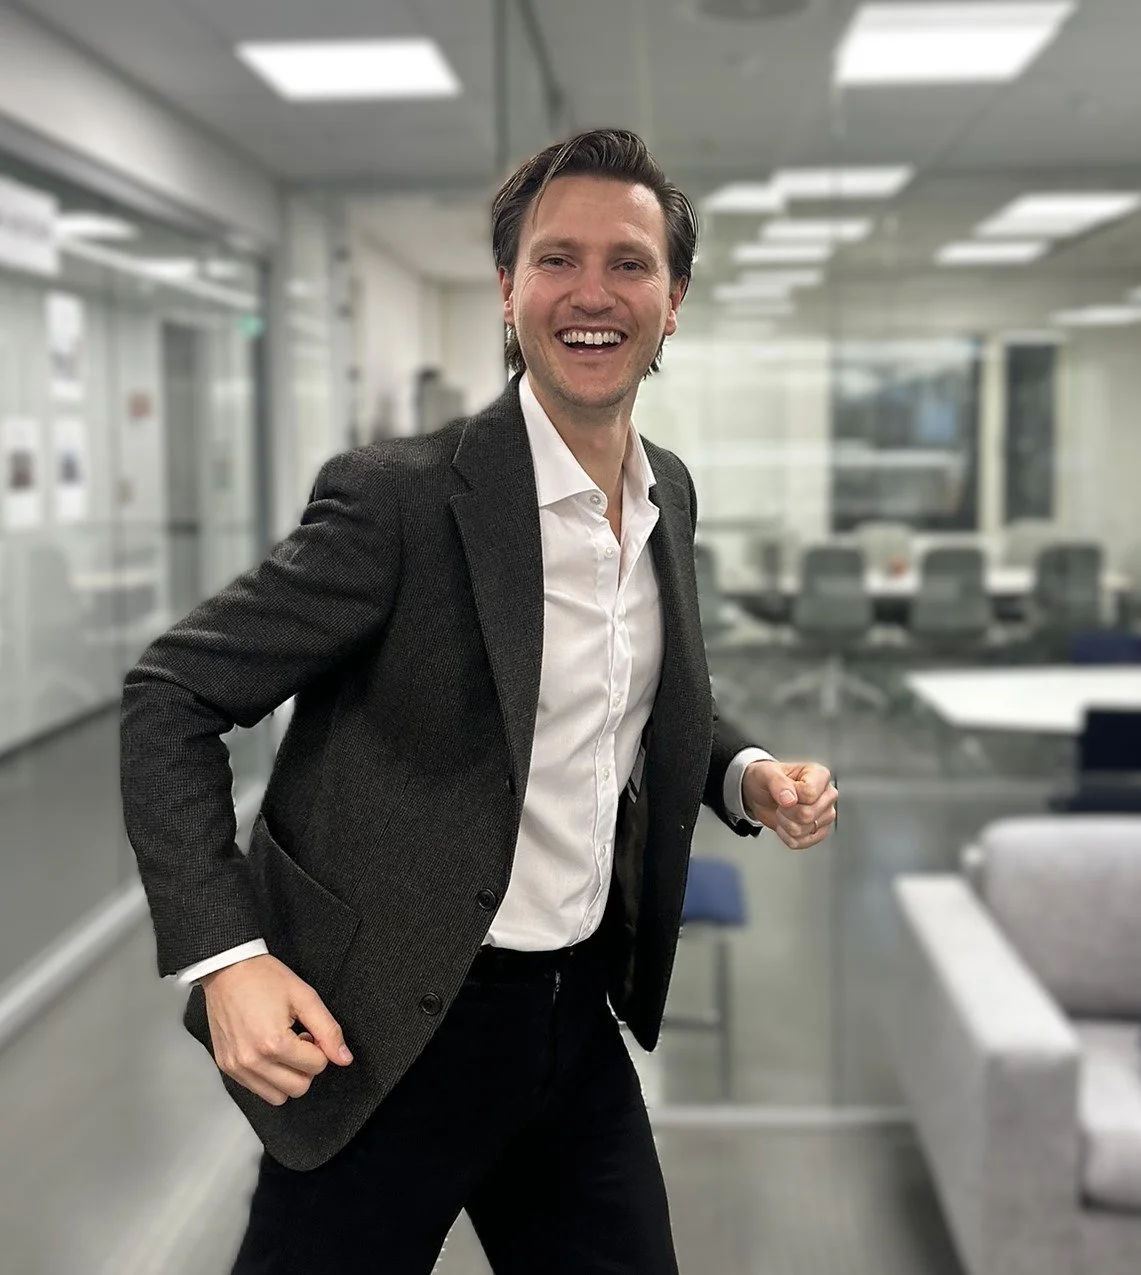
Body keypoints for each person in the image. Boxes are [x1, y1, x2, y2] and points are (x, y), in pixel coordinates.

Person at [120, 127, 838, 1275]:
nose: (591, 293)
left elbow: (632, 688)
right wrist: (227, 956)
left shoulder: (668, 492)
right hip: (383, 1031)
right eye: (556, 260)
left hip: (573, 1017)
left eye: (629, 263)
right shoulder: (399, 502)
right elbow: (172, 694)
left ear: (673, 301)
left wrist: (743, 774)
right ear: (508, 290)